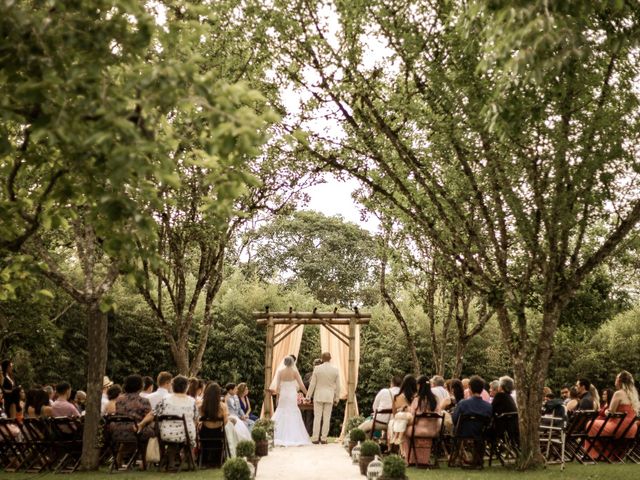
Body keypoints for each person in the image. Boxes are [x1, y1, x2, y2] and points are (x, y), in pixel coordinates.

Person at [585, 371, 639, 460]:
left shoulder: (618, 393)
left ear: (619, 381)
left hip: (618, 427)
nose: (615, 381)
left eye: (616, 378)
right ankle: (612, 454)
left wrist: (606, 412)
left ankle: (596, 455)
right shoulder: (633, 395)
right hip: (631, 429)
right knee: (597, 424)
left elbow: (611, 412)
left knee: (590, 424)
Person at [138, 375, 198, 446]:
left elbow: (152, 413)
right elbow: (196, 420)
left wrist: (141, 424)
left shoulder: (165, 400)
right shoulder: (192, 401)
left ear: (172, 386)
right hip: (187, 436)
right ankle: (186, 455)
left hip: (167, 435)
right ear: (187, 387)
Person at [273, 355, 311, 446]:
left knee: (281, 411)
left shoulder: (280, 372)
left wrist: (278, 397)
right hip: (291, 395)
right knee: (293, 411)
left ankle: (278, 435)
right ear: (293, 363)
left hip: (283, 394)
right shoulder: (295, 372)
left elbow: (277, 387)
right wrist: (308, 395)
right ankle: (295, 436)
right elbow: (301, 386)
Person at [404, 375, 441, 465]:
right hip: (433, 431)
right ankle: (423, 459)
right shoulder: (436, 399)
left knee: (404, 430)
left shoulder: (417, 400)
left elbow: (414, 419)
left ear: (419, 385)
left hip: (418, 430)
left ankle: (410, 459)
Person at [306, 352, 340, 445]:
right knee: (327, 418)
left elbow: (312, 384)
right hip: (329, 396)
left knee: (317, 417)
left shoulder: (317, 369)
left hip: (318, 395)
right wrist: (337, 398)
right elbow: (338, 386)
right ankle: (324, 438)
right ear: (330, 358)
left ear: (322, 358)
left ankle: (315, 438)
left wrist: (308, 396)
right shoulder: (335, 370)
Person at [115, 375, 153, 441]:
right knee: (153, 431)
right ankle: (144, 451)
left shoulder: (118, 399)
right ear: (140, 386)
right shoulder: (144, 401)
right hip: (135, 431)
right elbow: (149, 419)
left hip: (117, 431)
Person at [199, 382, 229, 466]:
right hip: (218, 434)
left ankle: (204, 459)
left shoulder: (201, 406)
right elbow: (225, 422)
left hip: (204, 434)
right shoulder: (223, 406)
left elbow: (200, 418)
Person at [388, 375, 417, 446]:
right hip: (412, 421)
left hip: (397, 421)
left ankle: (400, 450)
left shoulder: (396, 397)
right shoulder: (415, 397)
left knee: (398, 421)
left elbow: (394, 413)